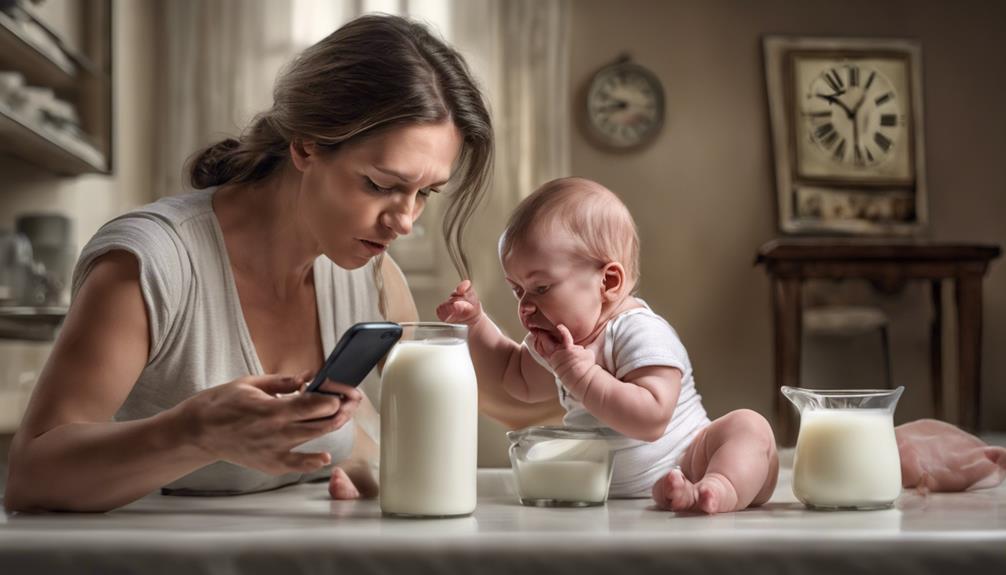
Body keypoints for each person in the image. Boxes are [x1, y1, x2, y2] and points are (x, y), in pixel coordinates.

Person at [4, 14, 500, 513]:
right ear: (306, 145)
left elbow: (396, 440)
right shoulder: (150, 264)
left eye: (425, 194)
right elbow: (32, 477)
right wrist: (195, 433)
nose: (405, 222)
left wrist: (363, 466)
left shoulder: (375, 280)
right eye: (380, 185)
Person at [437, 177, 779, 514]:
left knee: (748, 427)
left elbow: (651, 419)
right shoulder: (561, 343)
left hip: (691, 459)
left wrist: (582, 376)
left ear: (608, 282)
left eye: (540, 288)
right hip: (602, 485)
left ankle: (718, 488)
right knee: (540, 449)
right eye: (517, 290)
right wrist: (476, 324)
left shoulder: (638, 330)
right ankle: (682, 494)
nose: (525, 306)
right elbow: (515, 378)